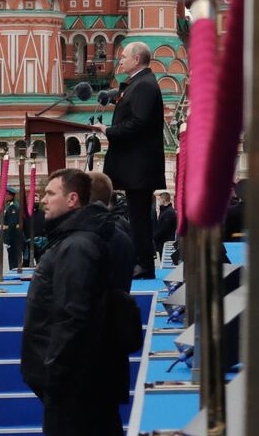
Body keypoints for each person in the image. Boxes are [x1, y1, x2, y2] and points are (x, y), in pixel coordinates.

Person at [21, 168, 127, 436]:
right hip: (79, 381)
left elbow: (73, 316)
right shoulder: (73, 240)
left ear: (72, 199)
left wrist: (54, 372)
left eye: (50, 193)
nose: (43, 200)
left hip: (73, 385)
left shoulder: (77, 246)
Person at [96, 41, 166, 279]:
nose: (120, 60)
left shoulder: (144, 85)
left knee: (139, 218)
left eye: (124, 56)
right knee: (137, 216)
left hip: (139, 164)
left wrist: (108, 131)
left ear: (137, 59)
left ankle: (144, 265)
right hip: (135, 164)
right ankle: (140, 263)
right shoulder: (137, 83)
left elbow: (139, 122)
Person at [153, 191, 177, 268]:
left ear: (163, 200)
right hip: (163, 242)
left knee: (167, 265)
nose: (159, 201)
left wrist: (154, 237)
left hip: (165, 243)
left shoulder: (168, 212)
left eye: (159, 199)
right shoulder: (165, 211)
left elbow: (163, 229)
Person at [1, 186, 22, 271]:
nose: (4, 196)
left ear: (11, 195)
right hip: (12, 236)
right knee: (12, 258)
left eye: (6, 194)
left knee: (13, 259)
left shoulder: (13, 206)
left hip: (13, 237)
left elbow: (12, 224)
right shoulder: (9, 205)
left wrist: (7, 240)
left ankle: (15, 275)